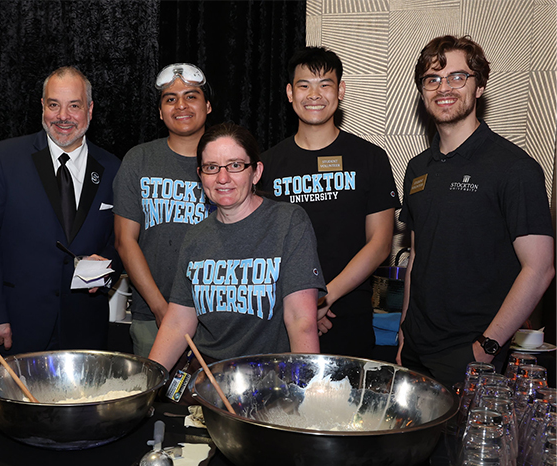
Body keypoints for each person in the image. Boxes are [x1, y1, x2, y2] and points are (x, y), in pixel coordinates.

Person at [397, 35, 554, 390]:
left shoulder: (514, 168)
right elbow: (418, 257)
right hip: (415, 351)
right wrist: (405, 334)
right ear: (422, 91)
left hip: (471, 354)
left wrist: (485, 348)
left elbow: (540, 267)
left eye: (457, 76)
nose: (443, 88)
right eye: (432, 79)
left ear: (479, 85)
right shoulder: (417, 168)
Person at [148, 123, 325, 373]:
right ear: (200, 175)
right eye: (211, 168)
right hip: (208, 382)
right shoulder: (195, 236)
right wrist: (147, 384)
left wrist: (308, 391)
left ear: (256, 172)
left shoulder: (288, 222)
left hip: (271, 383)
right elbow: (178, 323)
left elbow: (301, 321)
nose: (222, 178)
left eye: (235, 166)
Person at [0, 66, 121, 355]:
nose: (63, 116)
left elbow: (121, 240)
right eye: (54, 105)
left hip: (84, 328)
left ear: (89, 109)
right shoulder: (4, 158)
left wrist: (107, 267)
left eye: (73, 106)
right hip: (15, 326)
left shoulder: (113, 168)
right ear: (42, 107)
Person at [259, 47, 400, 358]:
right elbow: (261, 249)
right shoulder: (265, 165)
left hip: (348, 315)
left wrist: (325, 299)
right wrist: (302, 307)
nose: (314, 94)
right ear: (289, 93)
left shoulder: (370, 158)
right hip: (281, 321)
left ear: (341, 90)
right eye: (304, 85)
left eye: (325, 84)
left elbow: (380, 243)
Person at [113, 63, 213, 357]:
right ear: (160, 112)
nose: (180, 105)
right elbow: (124, 240)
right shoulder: (139, 160)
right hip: (152, 316)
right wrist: (161, 308)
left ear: (207, 106)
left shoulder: (227, 158)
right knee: (155, 401)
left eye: (191, 96)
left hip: (218, 317)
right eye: (170, 99)